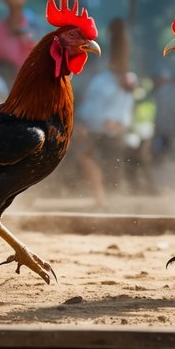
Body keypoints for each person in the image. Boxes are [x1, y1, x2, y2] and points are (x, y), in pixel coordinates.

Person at [75, 18, 140, 209]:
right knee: (88, 159)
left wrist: (120, 123)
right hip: (94, 128)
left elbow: (124, 107)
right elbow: (88, 108)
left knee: (112, 169)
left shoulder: (125, 80)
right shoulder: (100, 79)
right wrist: (81, 124)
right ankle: (101, 199)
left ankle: (110, 201)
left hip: (112, 130)